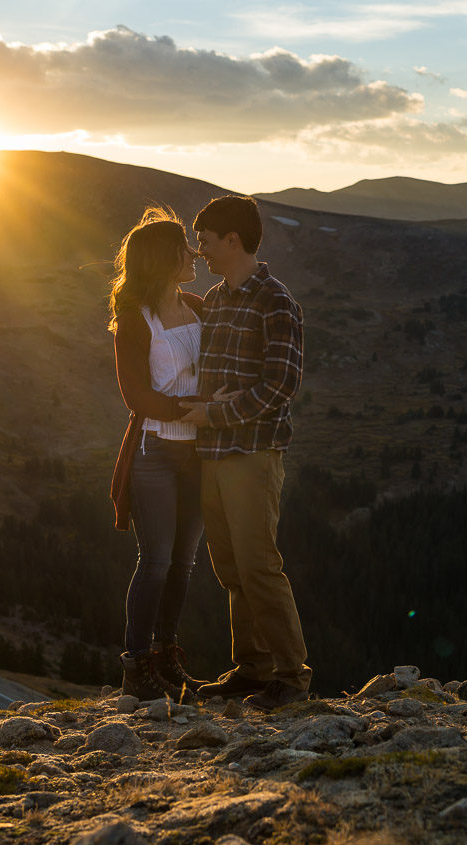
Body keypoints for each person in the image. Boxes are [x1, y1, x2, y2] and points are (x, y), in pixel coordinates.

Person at [179, 195, 312, 710]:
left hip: (252, 453)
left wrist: (216, 413)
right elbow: (219, 380)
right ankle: (253, 668)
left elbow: (281, 385)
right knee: (231, 566)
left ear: (232, 240)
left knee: (258, 564)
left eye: (207, 242)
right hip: (214, 453)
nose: (202, 251)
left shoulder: (277, 302)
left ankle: (292, 678)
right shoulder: (216, 298)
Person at [108, 207, 221, 701]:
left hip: (197, 454)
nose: (194, 254)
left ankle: (166, 655)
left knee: (184, 563)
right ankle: (136, 667)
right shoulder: (136, 320)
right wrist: (190, 411)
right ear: (163, 259)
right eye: (185, 248)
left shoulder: (199, 306)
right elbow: (135, 395)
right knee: (154, 562)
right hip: (155, 450)